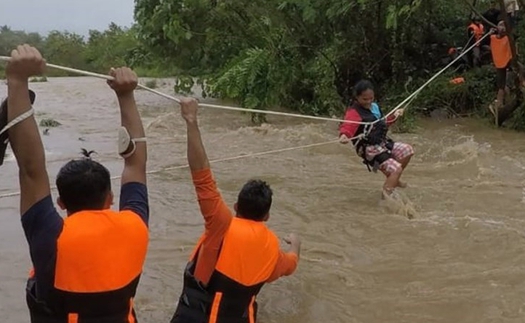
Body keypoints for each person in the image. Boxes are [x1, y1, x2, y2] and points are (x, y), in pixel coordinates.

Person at [5, 44, 149, 323]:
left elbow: (31, 170)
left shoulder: (52, 238)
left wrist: (16, 80)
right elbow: (136, 163)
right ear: (110, 197)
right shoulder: (135, 227)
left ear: (60, 203)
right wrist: (126, 96)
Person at [169, 97, 301, 323]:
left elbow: (201, 174)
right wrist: (296, 244)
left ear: (236, 207)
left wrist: (191, 120)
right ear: (267, 216)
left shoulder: (221, 224)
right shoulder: (272, 248)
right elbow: (291, 265)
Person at [339, 80, 414, 197]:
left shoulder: (375, 107)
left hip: (383, 143)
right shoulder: (353, 112)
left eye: (371, 98)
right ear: (357, 97)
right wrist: (344, 136)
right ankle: (386, 200)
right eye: (365, 99)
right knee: (396, 170)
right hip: (369, 149)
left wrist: (394, 115)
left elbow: (382, 123)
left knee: (407, 150)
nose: (368, 102)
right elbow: (348, 127)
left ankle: (393, 178)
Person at [489, 20, 514, 116]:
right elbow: (482, 43)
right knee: (501, 86)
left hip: (509, 63)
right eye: (500, 25)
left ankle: (508, 103)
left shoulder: (509, 38)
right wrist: (490, 32)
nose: (502, 27)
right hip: (499, 64)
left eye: (504, 26)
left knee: (508, 84)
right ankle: (499, 105)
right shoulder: (492, 38)